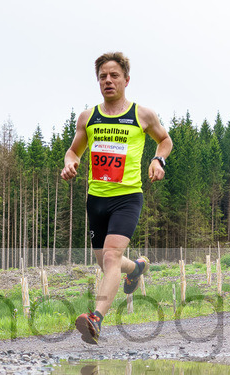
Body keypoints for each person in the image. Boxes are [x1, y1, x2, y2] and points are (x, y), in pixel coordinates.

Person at [61, 52, 173, 344]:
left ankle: (95, 319)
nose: (108, 81)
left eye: (114, 75)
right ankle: (135, 269)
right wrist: (69, 162)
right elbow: (74, 150)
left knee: (111, 257)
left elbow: (165, 140)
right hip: (96, 199)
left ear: (126, 80)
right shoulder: (89, 117)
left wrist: (158, 161)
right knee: (107, 263)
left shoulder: (142, 115)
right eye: (102, 76)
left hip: (127, 197)